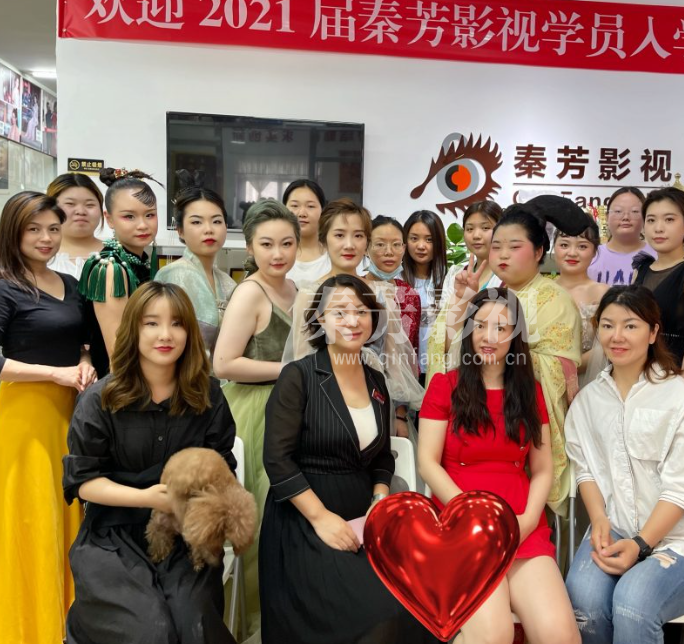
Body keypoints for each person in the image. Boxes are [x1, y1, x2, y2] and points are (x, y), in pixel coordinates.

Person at [260, 275, 435, 644]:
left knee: (421, 602)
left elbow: (381, 456)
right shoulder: (299, 377)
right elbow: (277, 459)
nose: (352, 321)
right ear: (320, 320)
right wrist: (321, 519)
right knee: (381, 613)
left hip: (364, 519)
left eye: (361, 311)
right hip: (305, 521)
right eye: (339, 312)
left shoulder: (376, 381)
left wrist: (380, 498)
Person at [62, 282, 238, 644]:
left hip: (185, 535)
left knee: (193, 625)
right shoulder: (99, 399)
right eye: (151, 323)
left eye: (177, 323)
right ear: (133, 330)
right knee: (149, 630)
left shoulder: (208, 395)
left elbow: (222, 467)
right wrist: (147, 498)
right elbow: (83, 482)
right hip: (111, 535)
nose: (165, 335)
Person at [419, 288, 580, 644]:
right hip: (461, 526)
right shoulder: (445, 386)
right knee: (494, 635)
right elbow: (428, 463)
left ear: (515, 335)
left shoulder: (529, 391)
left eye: (501, 328)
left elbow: (542, 468)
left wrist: (527, 520)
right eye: (479, 326)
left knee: (559, 635)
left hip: (520, 524)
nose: (488, 337)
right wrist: (471, 514)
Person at [565, 285, 684, 644]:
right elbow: (586, 468)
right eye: (607, 325)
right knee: (584, 603)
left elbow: (683, 491)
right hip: (615, 527)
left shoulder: (681, 399)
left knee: (633, 603)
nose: (617, 336)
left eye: (630, 326)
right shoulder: (588, 401)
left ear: (653, 332)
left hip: (680, 542)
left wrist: (641, 544)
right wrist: (599, 520)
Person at [446, 196, 586, 513]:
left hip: (522, 419)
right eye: (497, 247)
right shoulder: (488, 296)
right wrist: (463, 302)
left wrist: (494, 354)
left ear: (538, 252)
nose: (503, 255)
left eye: (514, 246)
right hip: (477, 415)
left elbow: (558, 370)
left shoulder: (554, 299)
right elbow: (452, 351)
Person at [0, 191, 95, 644]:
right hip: (22, 417)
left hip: (68, 413)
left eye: (53, 229)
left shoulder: (70, 284)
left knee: (65, 515)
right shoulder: (4, 285)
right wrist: (55, 373)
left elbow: (81, 341)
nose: (46, 238)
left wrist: (83, 360)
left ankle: (66, 625)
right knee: (30, 520)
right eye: (34, 229)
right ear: (13, 233)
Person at [213, 198, 299, 636]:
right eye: (266, 244)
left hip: (288, 410)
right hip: (254, 413)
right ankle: (251, 626)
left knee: (285, 524)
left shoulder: (296, 289)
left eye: (286, 243)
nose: (277, 253)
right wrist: (290, 370)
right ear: (249, 247)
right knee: (259, 523)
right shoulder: (250, 292)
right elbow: (223, 363)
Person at [288, 199, 424, 432]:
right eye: (339, 235)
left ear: (367, 243)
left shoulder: (382, 294)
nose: (349, 245)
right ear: (324, 239)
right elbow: (301, 360)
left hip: (377, 404)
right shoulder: (310, 294)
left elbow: (394, 361)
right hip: (323, 407)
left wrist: (400, 416)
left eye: (358, 236)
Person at [634, 187, 684, 415]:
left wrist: (681, 396)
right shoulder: (640, 270)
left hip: (679, 374)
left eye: (669, 219)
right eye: (651, 220)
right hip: (640, 376)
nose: (658, 228)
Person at [79, 167, 160, 377]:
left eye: (150, 215)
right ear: (109, 218)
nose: (143, 225)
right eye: (129, 216)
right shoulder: (110, 269)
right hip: (122, 382)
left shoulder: (140, 261)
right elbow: (118, 353)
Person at [154, 177, 235, 355]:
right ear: (180, 231)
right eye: (197, 222)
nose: (209, 229)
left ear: (226, 226)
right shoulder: (175, 274)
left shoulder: (226, 281)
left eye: (216, 221)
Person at [426, 200, 502, 384]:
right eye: (469, 229)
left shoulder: (506, 277)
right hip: (455, 367)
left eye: (485, 228)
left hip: (493, 368)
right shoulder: (456, 273)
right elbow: (443, 326)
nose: (476, 235)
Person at [553, 217, 609, 384]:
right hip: (544, 383)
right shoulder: (542, 291)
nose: (572, 253)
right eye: (564, 245)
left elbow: (606, 345)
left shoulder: (603, 293)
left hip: (589, 382)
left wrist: (565, 369)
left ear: (594, 251)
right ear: (554, 247)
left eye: (582, 246)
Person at [364, 214, 421, 354]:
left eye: (396, 245)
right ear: (365, 248)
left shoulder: (410, 295)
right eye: (380, 244)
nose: (389, 252)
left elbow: (412, 349)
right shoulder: (355, 290)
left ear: (404, 249)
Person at [402, 209, 447, 383]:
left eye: (429, 239)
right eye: (414, 238)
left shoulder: (449, 281)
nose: (421, 246)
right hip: (403, 369)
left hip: (438, 368)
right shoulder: (396, 281)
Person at [588, 187, 655, 286]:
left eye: (634, 211)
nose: (626, 217)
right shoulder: (591, 256)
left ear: (645, 217)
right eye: (618, 211)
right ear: (607, 217)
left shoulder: (657, 256)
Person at [47, 173, 105, 279]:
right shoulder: (38, 255)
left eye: (89, 205)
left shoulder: (119, 254)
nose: (81, 211)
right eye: (70, 204)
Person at [283, 179, 330, 289]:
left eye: (310, 206)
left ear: (322, 210)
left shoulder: (334, 256)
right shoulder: (276, 255)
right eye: (295, 206)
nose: (302, 213)